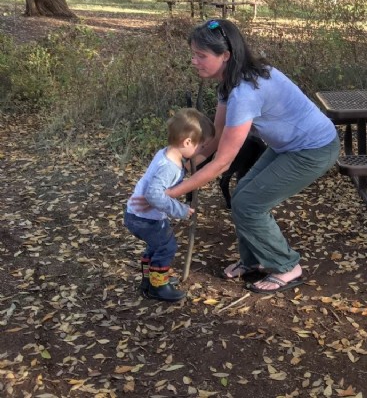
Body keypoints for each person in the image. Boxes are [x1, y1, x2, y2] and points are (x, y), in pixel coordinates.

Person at [135, 19, 340, 294]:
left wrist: (171, 192)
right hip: (289, 146)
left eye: (201, 55)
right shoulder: (228, 84)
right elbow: (216, 139)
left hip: (314, 149)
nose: (194, 61)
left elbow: (223, 162)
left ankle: (287, 266)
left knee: (248, 204)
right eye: (193, 54)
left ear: (226, 55)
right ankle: (253, 260)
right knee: (243, 193)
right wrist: (185, 162)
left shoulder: (245, 93)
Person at [124, 107, 214, 302]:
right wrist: (180, 210)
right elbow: (154, 194)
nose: (201, 151)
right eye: (201, 147)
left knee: (155, 247)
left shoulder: (165, 154)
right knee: (167, 247)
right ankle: (159, 287)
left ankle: (150, 282)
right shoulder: (170, 167)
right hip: (145, 219)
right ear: (187, 142)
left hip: (136, 215)